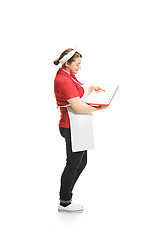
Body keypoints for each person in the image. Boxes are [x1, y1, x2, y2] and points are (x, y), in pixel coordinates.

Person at [53, 48, 107, 213]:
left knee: (81, 162)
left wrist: (91, 88)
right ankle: (65, 201)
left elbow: (78, 94)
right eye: (77, 64)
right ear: (67, 64)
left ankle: (66, 196)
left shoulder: (68, 75)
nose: (80, 67)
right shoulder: (63, 80)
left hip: (75, 126)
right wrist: (100, 108)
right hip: (70, 127)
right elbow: (77, 106)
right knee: (73, 164)